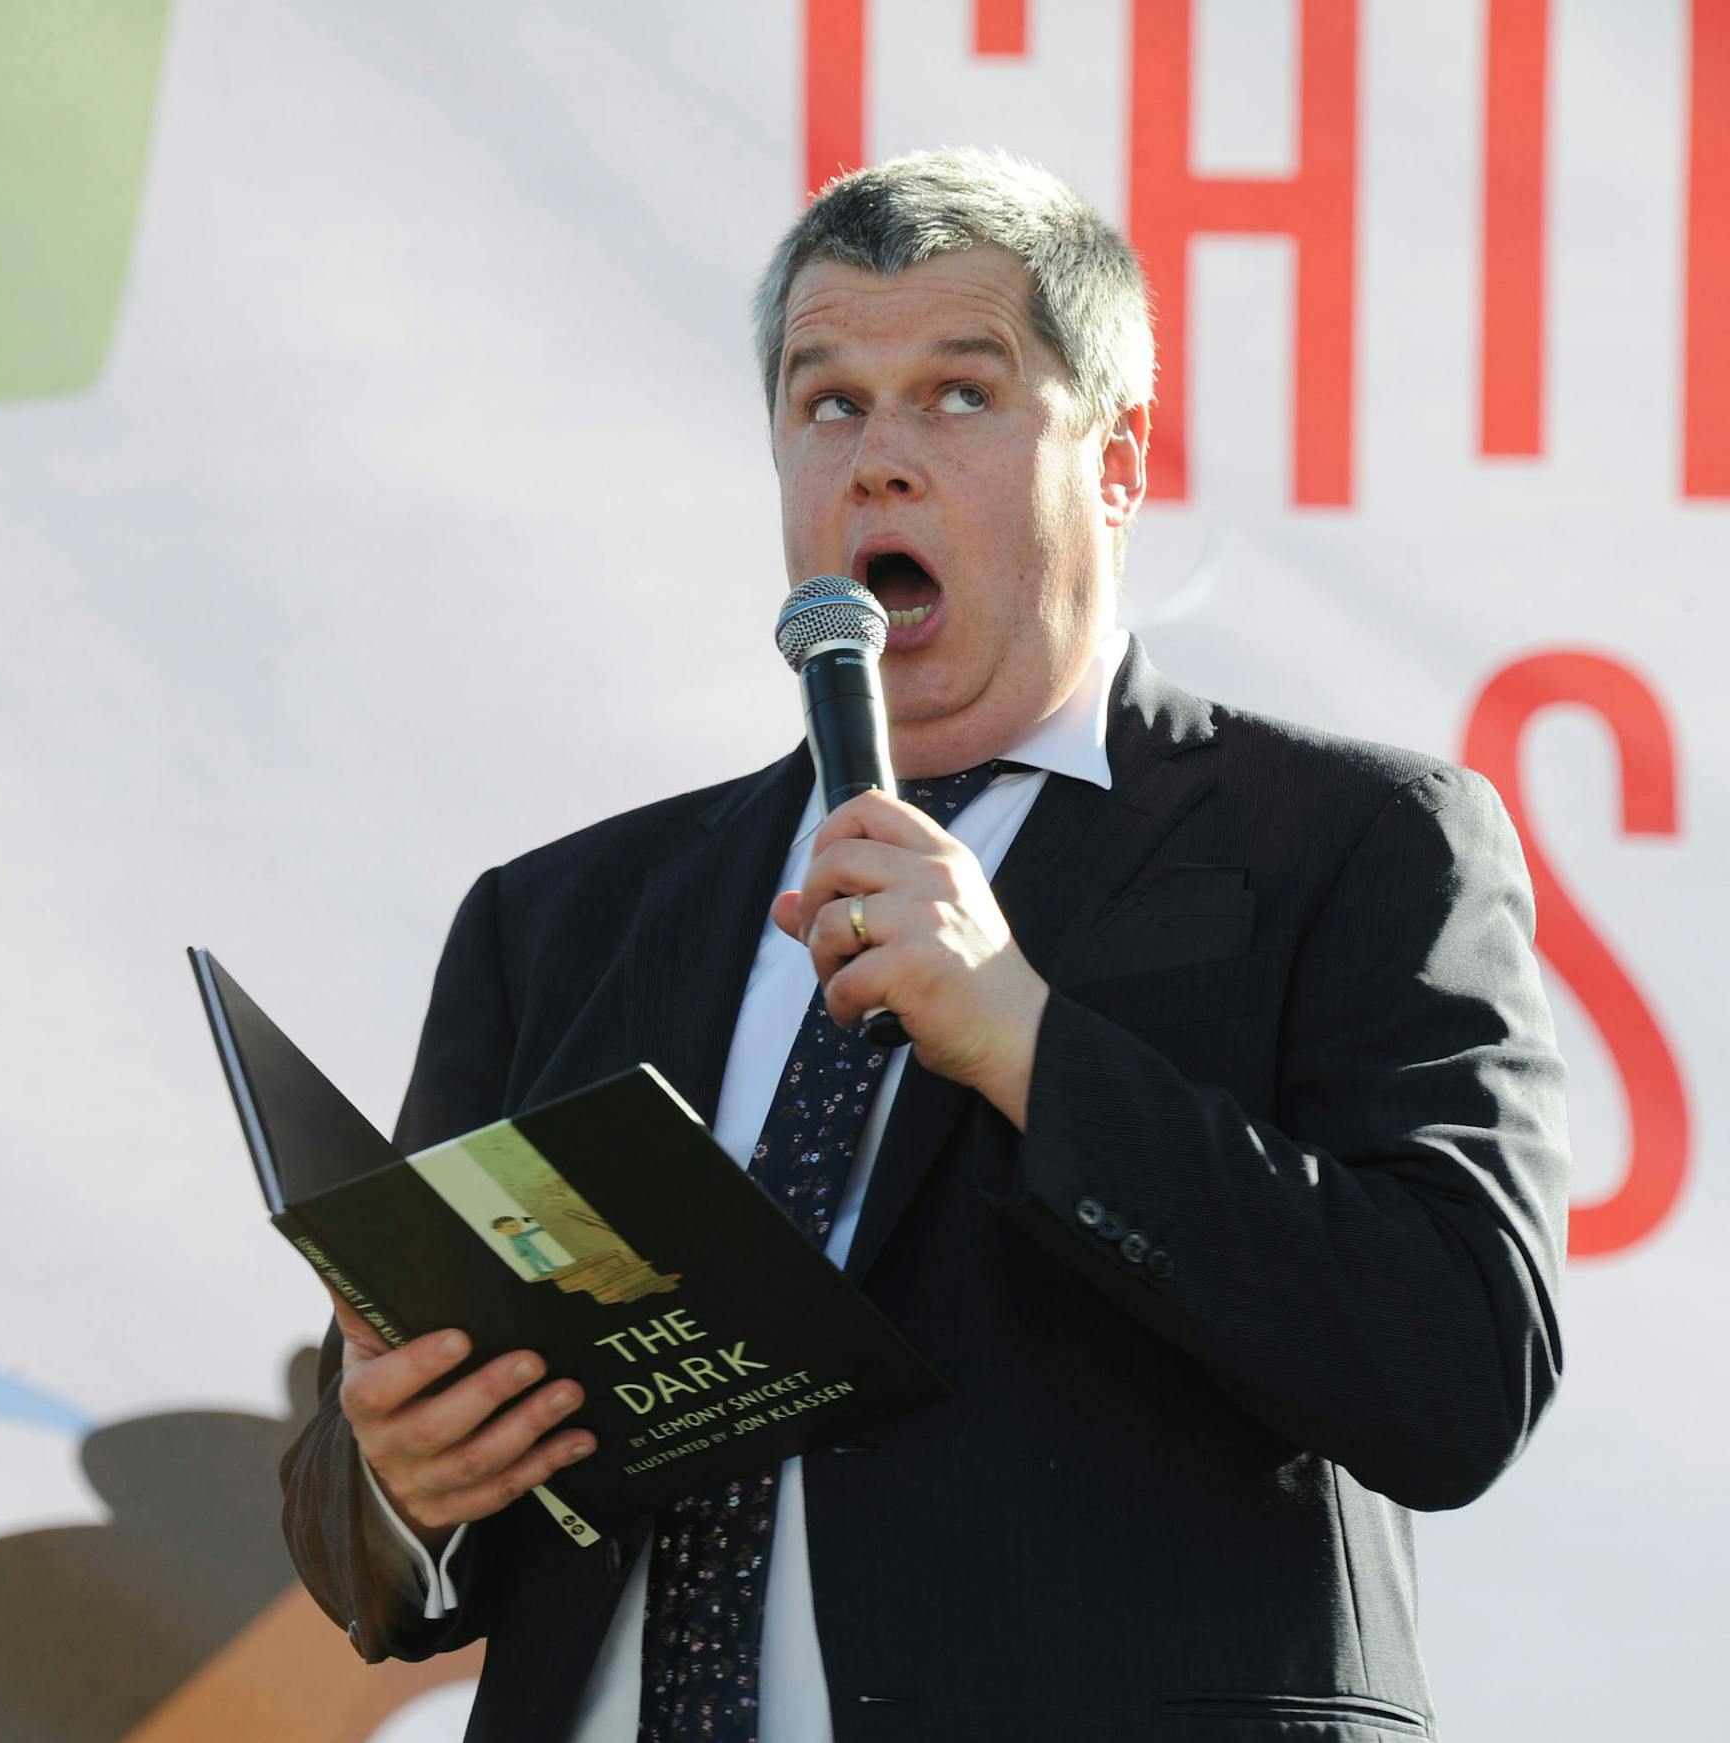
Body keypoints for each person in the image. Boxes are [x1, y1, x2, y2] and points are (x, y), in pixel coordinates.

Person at [280, 148, 1569, 1742]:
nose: (879, 459)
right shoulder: (565, 918)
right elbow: (366, 1524)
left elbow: (1457, 1373)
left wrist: (1026, 1038)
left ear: (1116, 458)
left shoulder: (1352, 841)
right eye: (829, 405)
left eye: (959, 395)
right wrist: (397, 1476)